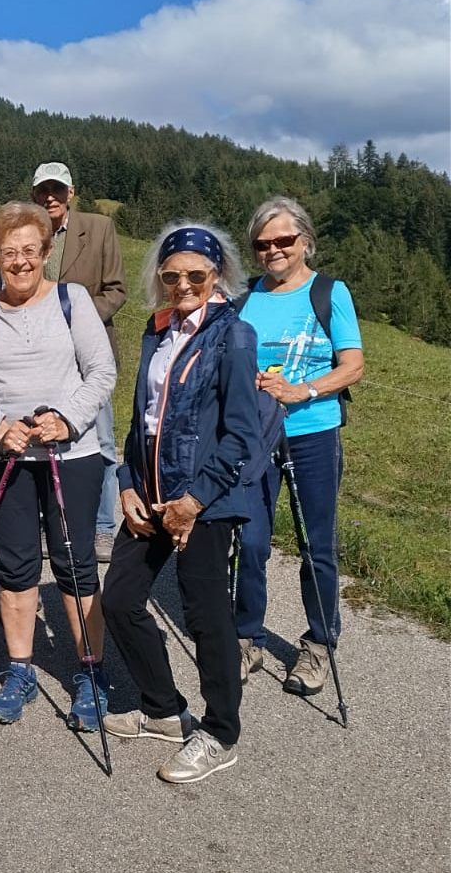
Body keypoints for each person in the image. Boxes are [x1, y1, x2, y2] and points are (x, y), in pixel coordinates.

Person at [100, 223, 258, 783]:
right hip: (149, 496)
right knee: (118, 599)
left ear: (218, 277)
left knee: (207, 617)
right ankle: (164, 710)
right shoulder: (156, 328)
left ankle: (220, 733)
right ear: (161, 277)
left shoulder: (233, 335)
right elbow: (145, 419)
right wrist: (126, 482)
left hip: (203, 502)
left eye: (197, 274)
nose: (183, 284)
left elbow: (242, 434)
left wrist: (193, 501)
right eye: (173, 275)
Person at [0, 202, 116, 728]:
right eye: (8, 252)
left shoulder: (72, 301)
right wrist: (1, 426)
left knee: (74, 566)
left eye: (30, 250)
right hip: (5, 458)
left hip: (71, 456)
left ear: (46, 252)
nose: (20, 262)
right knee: (18, 568)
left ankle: (90, 674)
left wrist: (66, 419)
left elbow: (101, 371)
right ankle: (20, 670)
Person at [234, 196, 364, 694]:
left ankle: (318, 644)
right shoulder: (245, 298)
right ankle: (247, 638)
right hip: (256, 434)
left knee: (317, 544)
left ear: (305, 240)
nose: (274, 251)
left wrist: (303, 390)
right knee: (249, 539)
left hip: (314, 430)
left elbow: (353, 365)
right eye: (263, 244)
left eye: (284, 241)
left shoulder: (329, 292)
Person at [30, 162, 127, 562]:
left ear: (71, 192)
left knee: (99, 439)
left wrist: (75, 321)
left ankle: (103, 526)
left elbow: (116, 290)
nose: (50, 196)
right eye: (42, 190)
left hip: (89, 354)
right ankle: (47, 519)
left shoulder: (99, 228)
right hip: (38, 355)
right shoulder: (28, 231)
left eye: (57, 189)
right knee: (41, 435)